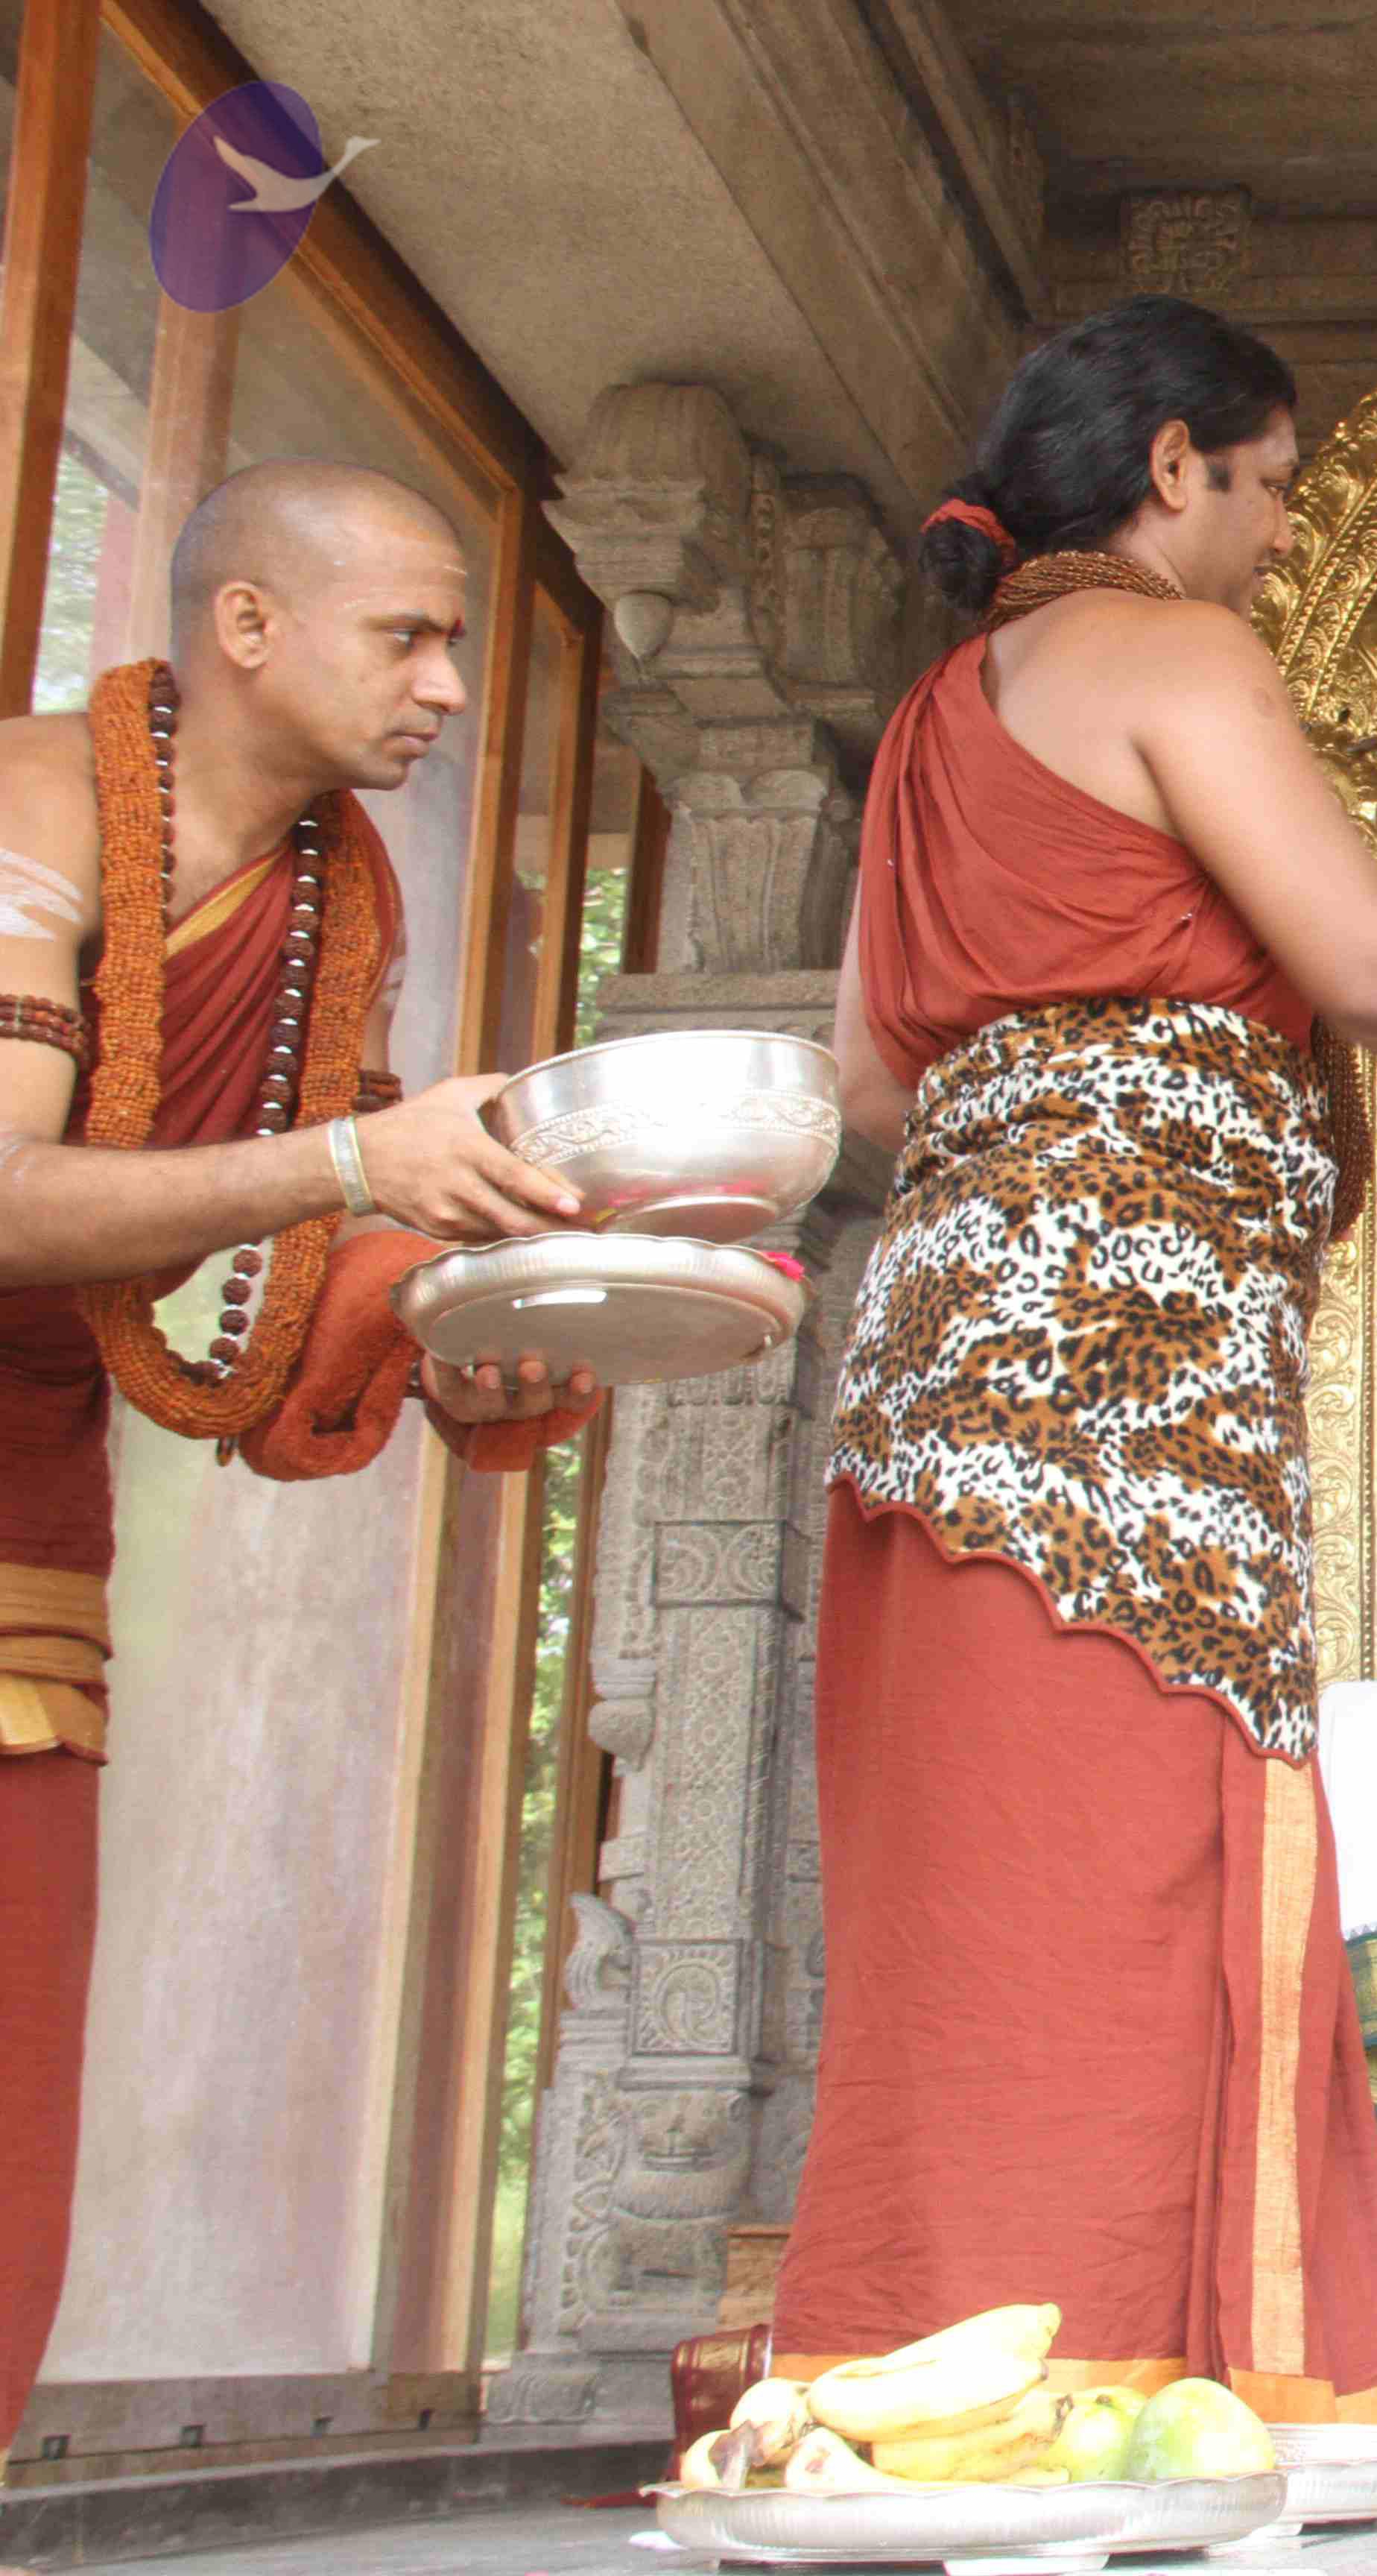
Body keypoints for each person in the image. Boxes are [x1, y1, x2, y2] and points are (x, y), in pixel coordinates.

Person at [767, 294, 1377, 2421]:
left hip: (942, 1353)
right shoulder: (1173, 652)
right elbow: (1376, 975)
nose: (1291, 531)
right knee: (1131, 1851)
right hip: (1127, 1372)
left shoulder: (943, 715)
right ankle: (1120, 2380)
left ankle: (927, 2380)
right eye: (1277, 482)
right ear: (1173, 466)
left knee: (979, 1865)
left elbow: (866, 1078)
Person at [0, 458, 601, 2449]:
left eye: (456, 642)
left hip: (31, 1490)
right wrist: (358, 1157)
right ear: (245, 627)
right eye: (407, 635)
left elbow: (288, 1276)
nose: (446, 686)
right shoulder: (36, 805)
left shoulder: (348, 888)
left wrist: (463, 1337)